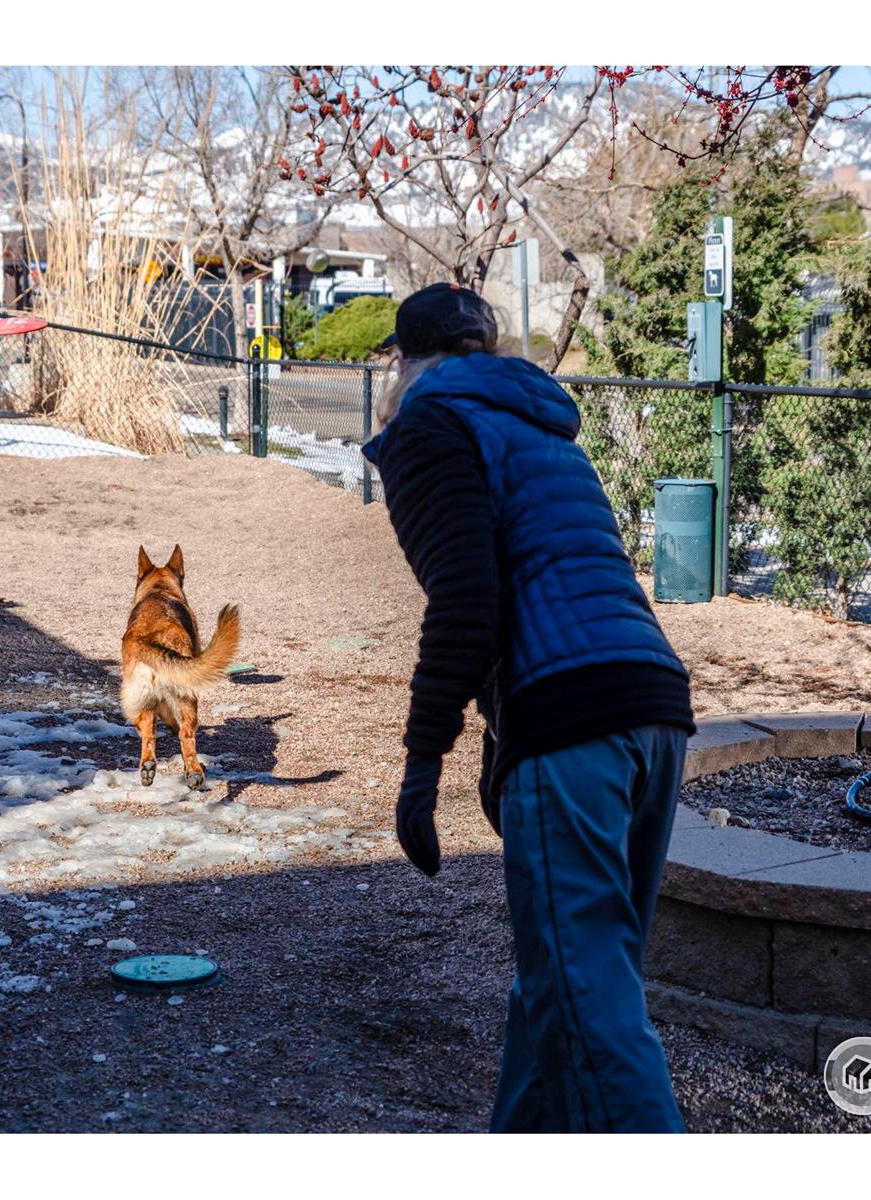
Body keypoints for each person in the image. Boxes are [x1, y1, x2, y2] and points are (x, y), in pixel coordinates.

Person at [361, 283, 697, 1133]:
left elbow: (468, 603)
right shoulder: (545, 428)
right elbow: (551, 583)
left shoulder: (429, 427)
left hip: (571, 721)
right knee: (569, 983)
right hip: (653, 706)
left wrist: (422, 762)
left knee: (587, 1005)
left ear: (401, 360)